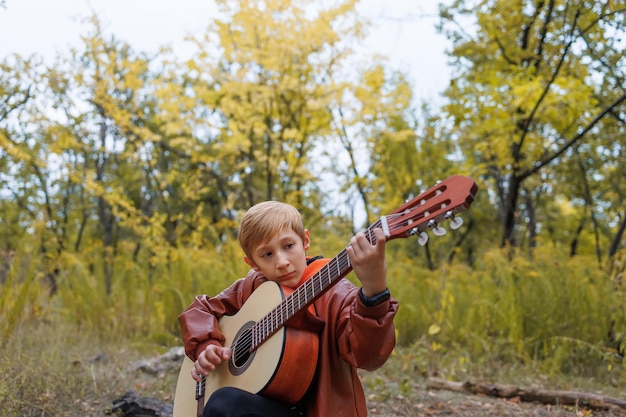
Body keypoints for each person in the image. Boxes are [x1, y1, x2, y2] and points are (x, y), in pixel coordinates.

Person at [178, 201, 398, 417]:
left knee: (225, 404)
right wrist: (206, 345)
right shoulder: (251, 288)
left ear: (305, 240)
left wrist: (374, 291)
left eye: (288, 246)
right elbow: (200, 310)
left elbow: (369, 356)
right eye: (267, 254)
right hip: (260, 407)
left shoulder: (336, 294)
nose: (281, 262)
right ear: (253, 263)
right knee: (225, 403)